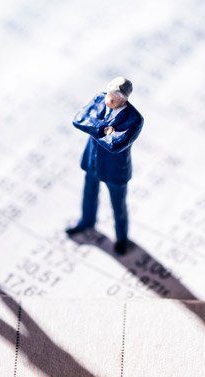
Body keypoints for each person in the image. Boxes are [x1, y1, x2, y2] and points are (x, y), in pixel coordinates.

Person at [66, 77, 143, 255]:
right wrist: (104, 129)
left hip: (115, 169)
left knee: (118, 205)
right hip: (92, 160)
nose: (109, 100)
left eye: (115, 98)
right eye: (109, 94)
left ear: (125, 99)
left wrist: (96, 128)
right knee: (89, 194)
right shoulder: (100, 99)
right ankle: (86, 221)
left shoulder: (134, 119)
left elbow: (115, 144)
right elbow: (79, 120)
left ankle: (122, 238)